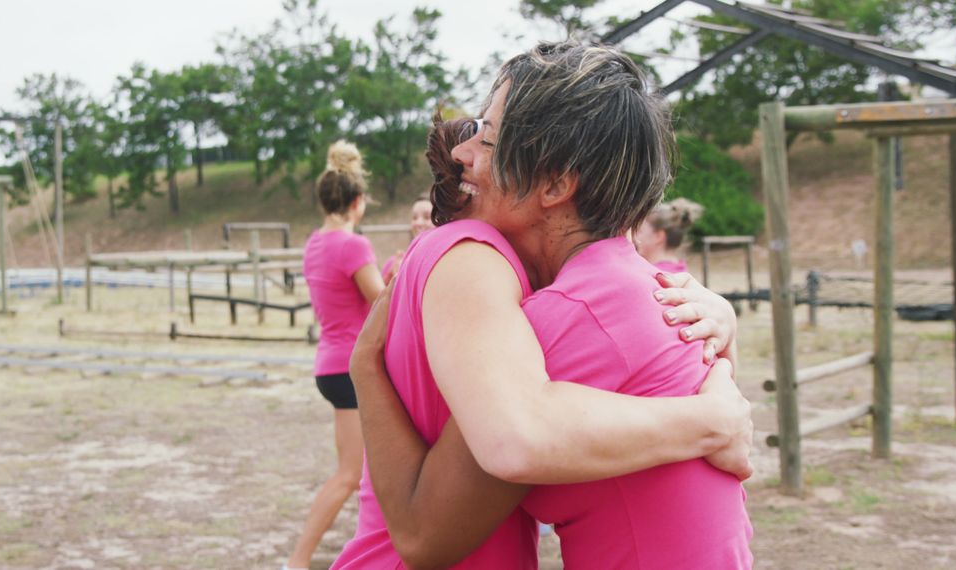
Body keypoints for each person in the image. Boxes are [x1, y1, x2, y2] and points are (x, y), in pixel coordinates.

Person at [334, 41, 751, 569]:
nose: (464, 152)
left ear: (555, 182)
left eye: (486, 137)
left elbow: (428, 528)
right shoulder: (646, 291)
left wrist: (366, 369)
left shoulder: (573, 314)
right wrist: (715, 415)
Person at [287, 141, 384, 570]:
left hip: (330, 363)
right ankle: (298, 561)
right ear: (357, 202)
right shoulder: (353, 246)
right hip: (350, 369)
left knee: (367, 473)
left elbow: (352, 299)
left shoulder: (314, 242)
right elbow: (382, 305)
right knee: (350, 474)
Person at [632, 197, 704, 274]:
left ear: (658, 237)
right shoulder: (679, 269)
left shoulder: (655, 276)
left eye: (640, 232)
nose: (633, 237)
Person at [381, 194, 435, 283]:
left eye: (427, 217)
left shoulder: (445, 262)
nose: (418, 223)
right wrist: (393, 277)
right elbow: (378, 295)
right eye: (414, 217)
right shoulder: (393, 263)